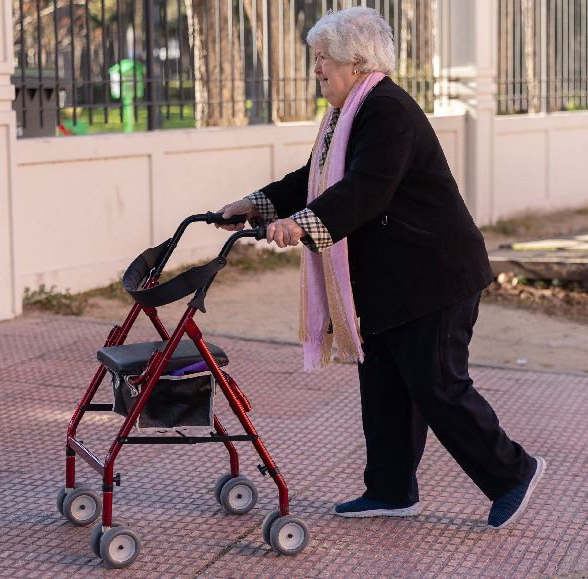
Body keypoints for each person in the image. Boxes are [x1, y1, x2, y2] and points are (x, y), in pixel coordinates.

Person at [217, 6, 544, 529]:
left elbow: (365, 189)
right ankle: (391, 489)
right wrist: (256, 203)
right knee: (386, 384)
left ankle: (512, 473)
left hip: (436, 277)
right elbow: (317, 177)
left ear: (357, 61)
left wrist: (301, 224)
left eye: (324, 58)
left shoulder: (388, 110)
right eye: (316, 58)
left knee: (438, 386)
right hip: (397, 281)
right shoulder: (349, 116)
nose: (317, 68)